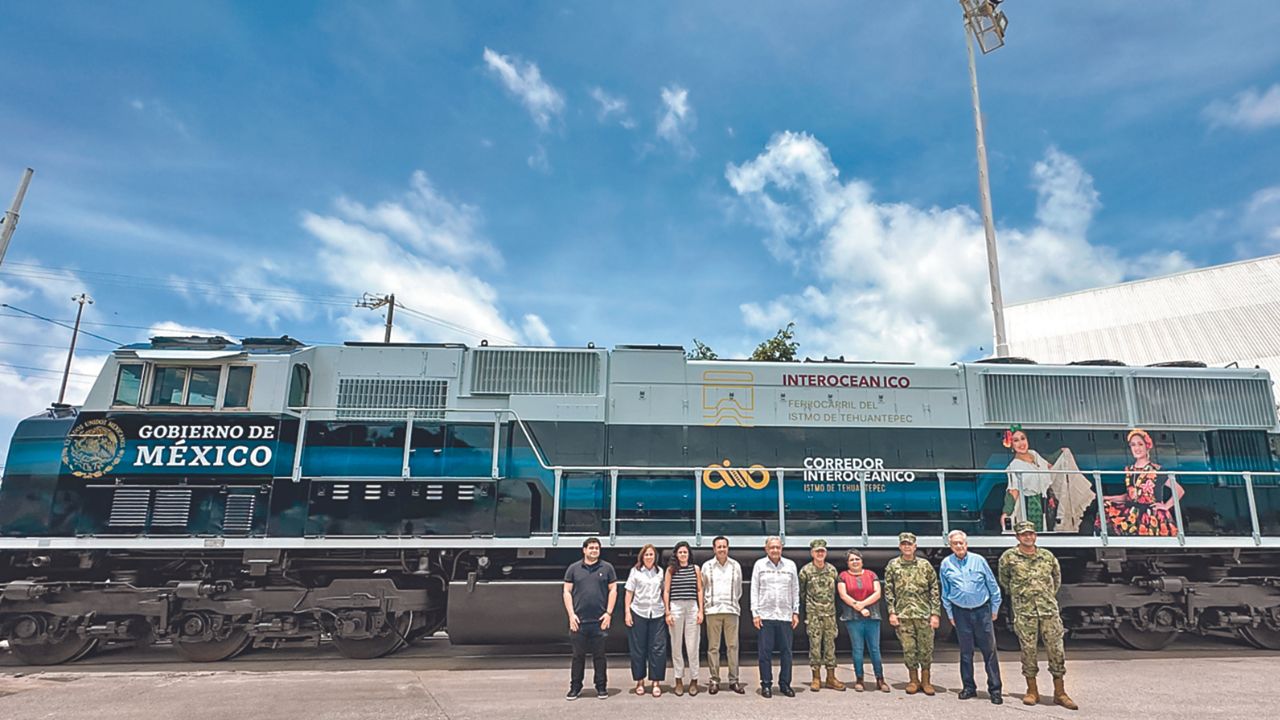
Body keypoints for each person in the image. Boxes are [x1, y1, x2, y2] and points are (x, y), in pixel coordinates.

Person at [998, 521, 1078, 711]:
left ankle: (1060, 692)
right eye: (1024, 534)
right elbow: (1005, 581)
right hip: (1025, 611)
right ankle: (1031, 690)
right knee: (1028, 650)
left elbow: (1056, 579)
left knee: (1056, 649)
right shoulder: (1008, 558)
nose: (1028, 537)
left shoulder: (1047, 556)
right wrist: (1023, 596)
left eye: (1031, 534)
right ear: (1017, 537)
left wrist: (1044, 596)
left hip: (1048, 610)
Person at [939, 530, 1003, 705]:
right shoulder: (946, 564)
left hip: (982, 611)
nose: (958, 546)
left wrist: (994, 609)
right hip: (960, 613)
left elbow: (993, 587)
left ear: (966, 544)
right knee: (966, 652)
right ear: (950, 546)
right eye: (955, 544)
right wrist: (951, 615)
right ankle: (968, 687)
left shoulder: (979, 561)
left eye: (961, 543)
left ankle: (995, 689)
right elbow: (945, 593)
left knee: (989, 651)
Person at [1000, 426, 1095, 533]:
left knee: (1052, 527)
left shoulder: (1033, 454)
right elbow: (1013, 491)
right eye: (1016, 440)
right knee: (1035, 532)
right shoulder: (1014, 466)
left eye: (1023, 438)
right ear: (1011, 445)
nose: (1021, 443)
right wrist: (1006, 512)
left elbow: (1047, 465)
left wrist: (1060, 453)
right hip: (1031, 505)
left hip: (1046, 500)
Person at [883, 531, 941, 695]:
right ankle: (913, 680)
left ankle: (926, 681)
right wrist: (892, 612)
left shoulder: (925, 565)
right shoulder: (893, 565)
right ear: (900, 546)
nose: (907, 547)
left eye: (910, 544)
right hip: (903, 615)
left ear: (915, 546)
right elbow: (889, 591)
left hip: (924, 614)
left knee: (926, 649)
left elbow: (934, 590)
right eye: (904, 544)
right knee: (908, 649)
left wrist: (935, 613)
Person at [563, 536, 617, 701]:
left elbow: (613, 590)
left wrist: (608, 613)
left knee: (599, 656)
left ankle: (601, 687)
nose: (594, 550)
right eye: (591, 548)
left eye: (597, 548)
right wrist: (571, 615)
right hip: (578, 621)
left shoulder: (607, 568)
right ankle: (575, 687)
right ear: (584, 550)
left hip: (599, 621)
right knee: (577, 656)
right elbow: (566, 592)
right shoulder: (573, 569)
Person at [1102, 428, 1183, 536]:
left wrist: (1166, 506)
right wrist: (1108, 498)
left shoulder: (1156, 470)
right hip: (1133, 515)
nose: (1137, 448)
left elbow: (1179, 491)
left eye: (1140, 444)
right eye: (1133, 445)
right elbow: (1130, 496)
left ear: (1147, 446)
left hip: (1151, 516)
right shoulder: (1129, 470)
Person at [751, 535, 799, 698]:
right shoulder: (759, 565)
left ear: (781, 548)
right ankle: (766, 684)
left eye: (777, 547)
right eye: (772, 547)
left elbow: (795, 590)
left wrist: (795, 612)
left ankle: (785, 684)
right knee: (765, 652)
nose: (775, 550)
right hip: (765, 614)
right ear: (766, 549)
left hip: (785, 615)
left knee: (787, 652)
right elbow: (754, 590)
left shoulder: (790, 565)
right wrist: (755, 613)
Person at [837, 549, 889, 693]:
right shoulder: (843, 576)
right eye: (852, 559)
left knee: (875, 649)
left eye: (857, 559)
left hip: (872, 616)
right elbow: (843, 594)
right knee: (858, 649)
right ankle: (859, 679)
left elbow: (877, 593)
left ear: (862, 561)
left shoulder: (871, 574)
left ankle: (880, 678)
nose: (855, 562)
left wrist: (863, 605)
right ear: (847, 563)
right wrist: (859, 608)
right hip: (852, 618)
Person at [798, 539, 844, 692]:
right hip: (814, 615)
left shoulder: (832, 570)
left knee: (830, 646)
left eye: (822, 551)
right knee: (815, 646)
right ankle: (816, 677)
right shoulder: (805, 571)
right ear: (812, 553)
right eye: (817, 551)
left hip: (830, 614)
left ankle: (831, 677)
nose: (820, 554)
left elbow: (836, 593)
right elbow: (802, 593)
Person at [701, 535, 745, 695]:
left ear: (728, 548)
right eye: (719, 547)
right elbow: (703, 588)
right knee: (713, 647)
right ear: (714, 549)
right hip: (713, 611)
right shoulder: (707, 566)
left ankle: (734, 680)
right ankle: (714, 680)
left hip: (731, 610)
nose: (722, 549)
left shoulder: (735, 566)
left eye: (724, 546)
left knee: (733, 647)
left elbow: (738, 589)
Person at [625, 544, 667, 697]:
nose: (649, 557)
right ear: (642, 557)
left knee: (658, 649)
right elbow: (629, 593)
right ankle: (640, 682)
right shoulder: (635, 572)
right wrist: (627, 613)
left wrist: (667, 611)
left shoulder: (660, 572)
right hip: (638, 612)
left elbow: (664, 593)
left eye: (652, 555)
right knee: (638, 649)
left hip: (657, 613)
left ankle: (656, 682)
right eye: (646, 555)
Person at [664, 540, 704, 696]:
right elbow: (666, 591)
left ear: (689, 554)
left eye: (685, 552)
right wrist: (667, 612)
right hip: (676, 606)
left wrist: (701, 610)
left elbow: (699, 590)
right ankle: (678, 680)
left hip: (692, 606)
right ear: (676, 554)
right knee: (676, 645)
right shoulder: (671, 570)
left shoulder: (695, 569)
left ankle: (694, 680)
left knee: (692, 645)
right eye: (680, 552)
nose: (683, 554)